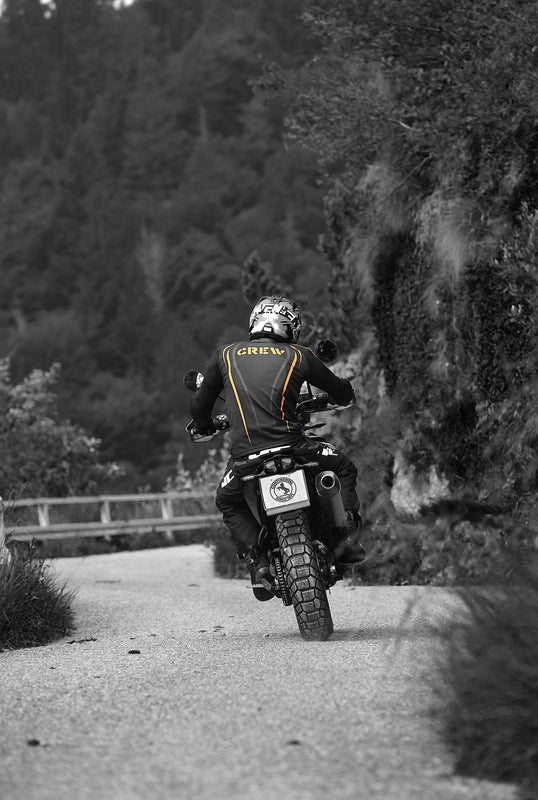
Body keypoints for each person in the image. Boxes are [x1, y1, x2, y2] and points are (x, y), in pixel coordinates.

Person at [190, 295, 363, 584]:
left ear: (254, 323)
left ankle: (257, 562)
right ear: (291, 327)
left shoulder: (226, 354)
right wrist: (340, 393)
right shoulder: (299, 355)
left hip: (246, 459)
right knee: (343, 468)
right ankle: (345, 535)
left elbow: (199, 407)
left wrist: (204, 426)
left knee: (227, 500)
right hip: (295, 447)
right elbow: (342, 392)